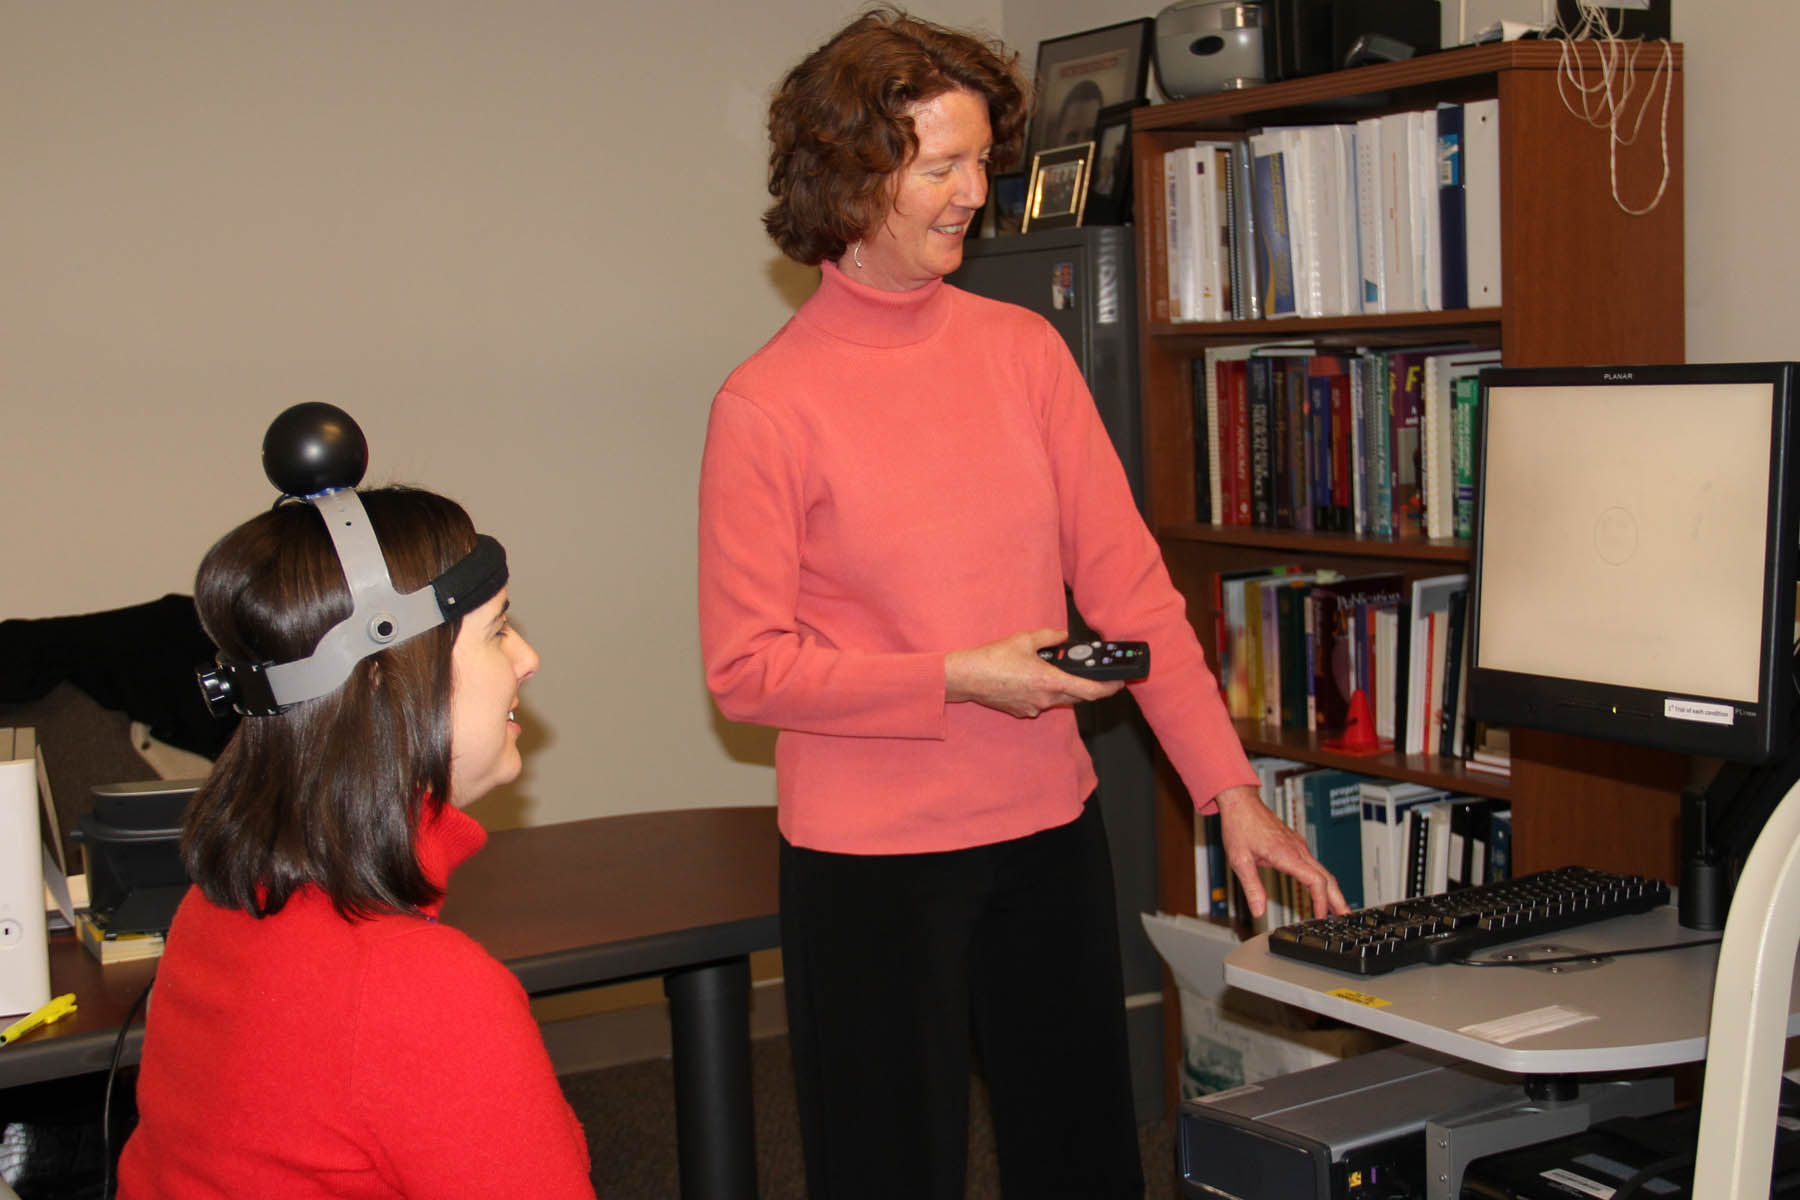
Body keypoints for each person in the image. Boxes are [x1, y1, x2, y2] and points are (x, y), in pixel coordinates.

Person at [697, 9, 1350, 1198]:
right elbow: (747, 671)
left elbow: (1132, 590)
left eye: (980, 161)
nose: (972, 193)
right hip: (871, 864)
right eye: (938, 166)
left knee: (1083, 1158)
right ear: (850, 178)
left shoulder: (1025, 352)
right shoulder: (768, 405)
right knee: (889, 1170)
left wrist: (1232, 792)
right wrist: (959, 677)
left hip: (1046, 832)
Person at [117, 484, 595, 1199]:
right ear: (381, 682)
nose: (527, 658)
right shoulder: (422, 992)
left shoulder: (219, 908)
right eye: (497, 631)